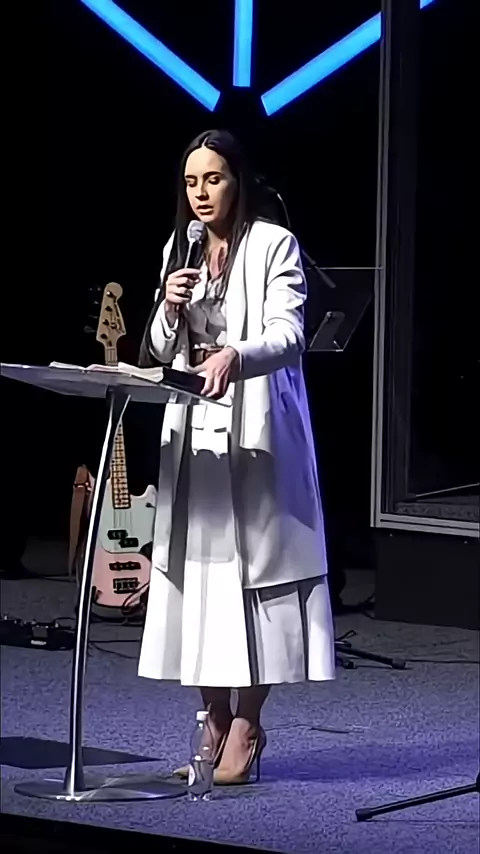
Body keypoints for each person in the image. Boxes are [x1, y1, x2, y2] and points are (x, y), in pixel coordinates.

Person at [137, 129, 335, 785]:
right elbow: (160, 346)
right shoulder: (180, 248)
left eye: (213, 179)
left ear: (237, 181)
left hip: (256, 427)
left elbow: (289, 334)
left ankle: (247, 724)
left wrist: (234, 355)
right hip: (195, 428)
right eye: (191, 181)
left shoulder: (274, 243)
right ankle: (213, 717)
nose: (201, 193)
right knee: (201, 579)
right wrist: (169, 308)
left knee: (260, 581)